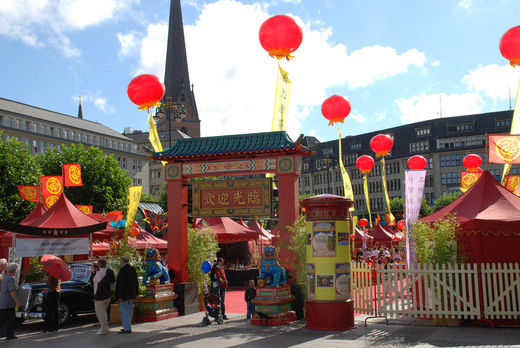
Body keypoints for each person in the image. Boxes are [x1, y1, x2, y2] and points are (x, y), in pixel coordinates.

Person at [115, 256, 138, 334]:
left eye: (120, 260)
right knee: (129, 310)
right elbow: (136, 282)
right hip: (131, 294)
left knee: (124, 311)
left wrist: (120, 296)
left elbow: (121, 284)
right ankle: (128, 326)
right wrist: (136, 293)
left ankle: (127, 328)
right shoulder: (132, 269)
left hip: (124, 295)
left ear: (123, 261)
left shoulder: (123, 270)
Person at [93, 258, 114, 335]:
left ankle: (104, 329)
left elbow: (99, 286)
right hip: (107, 295)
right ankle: (105, 328)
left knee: (100, 313)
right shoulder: (109, 272)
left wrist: (95, 296)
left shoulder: (99, 273)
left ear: (99, 265)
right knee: (104, 312)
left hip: (100, 296)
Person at [0, 263, 21, 340]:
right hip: (7, 303)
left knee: (8, 319)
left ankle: (10, 334)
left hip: (5, 302)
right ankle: (10, 334)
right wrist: (17, 301)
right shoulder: (10, 279)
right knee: (6, 319)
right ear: (14, 270)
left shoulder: (5, 278)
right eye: (16, 270)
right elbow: (11, 291)